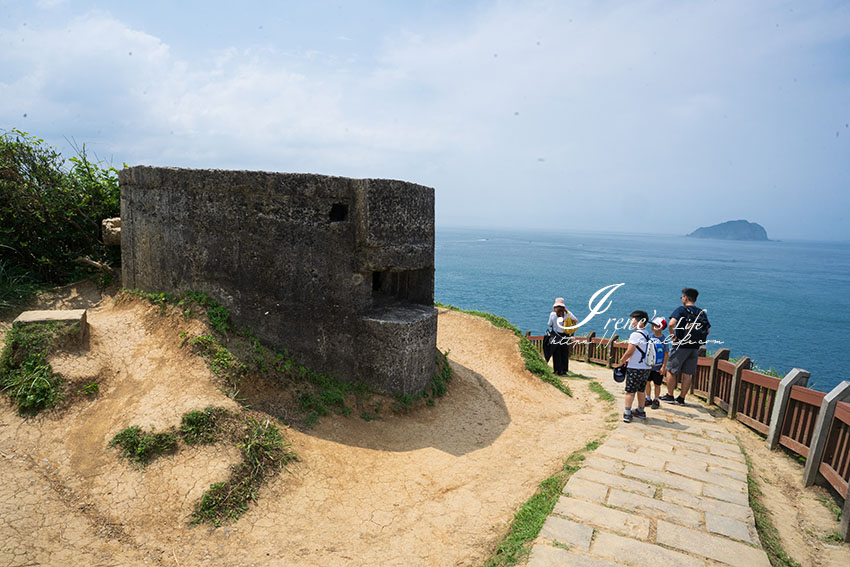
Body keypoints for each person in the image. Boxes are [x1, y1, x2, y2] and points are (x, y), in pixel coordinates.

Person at [659, 288, 711, 406]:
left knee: (672, 370)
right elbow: (707, 331)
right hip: (695, 347)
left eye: (682, 296)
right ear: (695, 299)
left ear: (685, 298)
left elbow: (672, 324)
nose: (682, 298)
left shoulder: (681, 310)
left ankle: (670, 395)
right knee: (687, 373)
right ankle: (682, 398)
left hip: (681, 345)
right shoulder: (701, 312)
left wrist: (673, 337)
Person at [615, 310, 651, 422]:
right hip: (646, 367)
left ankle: (627, 412)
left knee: (630, 391)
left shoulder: (635, 335)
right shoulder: (647, 334)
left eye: (632, 319)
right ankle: (641, 411)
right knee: (641, 389)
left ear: (640, 321)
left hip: (635, 367)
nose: (631, 321)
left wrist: (622, 361)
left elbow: (630, 351)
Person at [644, 316, 670, 410]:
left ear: (660, 327)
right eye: (652, 325)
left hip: (658, 366)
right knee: (647, 382)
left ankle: (656, 399)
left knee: (657, 384)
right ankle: (648, 397)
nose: (652, 327)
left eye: (655, 325)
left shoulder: (664, 340)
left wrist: (663, 366)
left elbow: (666, 354)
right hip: (648, 365)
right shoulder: (649, 336)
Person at [547, 298, 577, 376]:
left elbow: (549, 324)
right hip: (565, 335)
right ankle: (564, 370)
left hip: (556, 335)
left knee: (556, 353)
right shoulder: (568, 313)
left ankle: (557, 370)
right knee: (564, 352)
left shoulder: (552, 314)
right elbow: (576, 320)